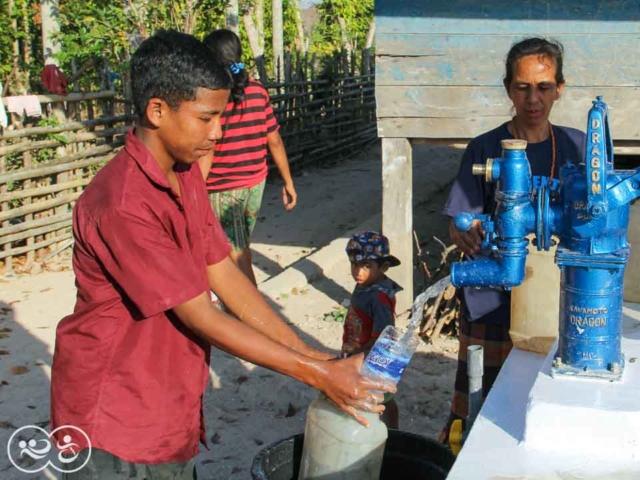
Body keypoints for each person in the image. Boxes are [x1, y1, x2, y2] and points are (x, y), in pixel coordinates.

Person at [50, 30, 393, 479]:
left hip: (167, 404)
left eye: (221, 117)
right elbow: (201, 316)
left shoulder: (185, 173)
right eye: (206, 118)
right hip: (115, 418)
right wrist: (316, 375)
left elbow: (224, 273)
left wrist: (317, 358)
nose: (218, 132)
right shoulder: (124, 203)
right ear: (157, 110)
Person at [439, 37, 586, 442]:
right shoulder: (485, 149)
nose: (533, 98)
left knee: (545, 412)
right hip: (492, 301)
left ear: (559, 88)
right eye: (522, 87)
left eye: (543, 87)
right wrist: (464, 230)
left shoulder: (578, 147)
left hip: (553, 300)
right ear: (508, 89)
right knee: (479, 408)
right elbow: (458, 220)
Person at [198, 28, 296, 286]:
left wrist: (194, 189)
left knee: (235, 252)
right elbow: (273, 139)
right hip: (255, 183)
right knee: (238, 244)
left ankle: (251, 312)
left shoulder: (214, 95)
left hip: (222, 186)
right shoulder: (257, 90)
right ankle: (233, 306)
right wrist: (288, 181)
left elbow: (208, 148)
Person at [342, 231, 403, 429]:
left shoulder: (378, 298)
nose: (358, 272)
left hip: (371, 360)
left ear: (384, 267)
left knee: (380, 400)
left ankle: (392, 434)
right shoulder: (366, 286)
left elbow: (383, 339)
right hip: (358, 355)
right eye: (355, 265)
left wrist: (356, 360)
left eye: (367, 266)